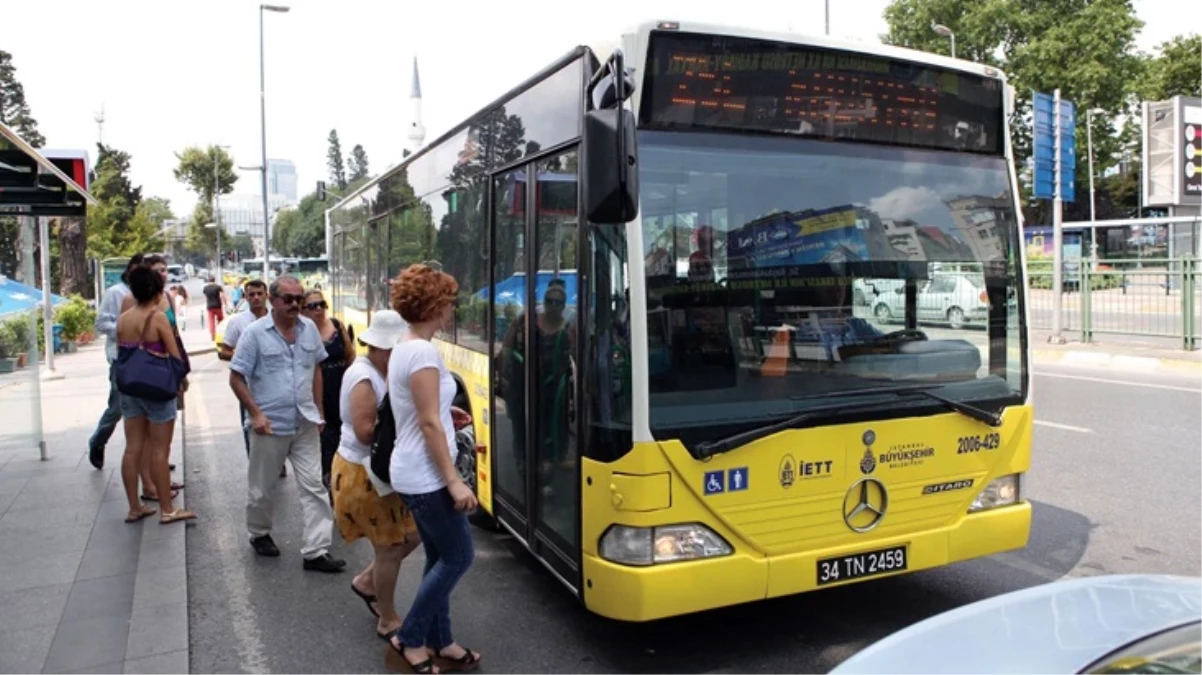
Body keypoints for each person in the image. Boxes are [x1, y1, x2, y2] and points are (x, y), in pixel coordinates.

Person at [385, 264, 481, 674]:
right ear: (434, 305)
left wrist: (446, 410)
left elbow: (423, 411)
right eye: (449, 301)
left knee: (440, 555)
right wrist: (454, 481)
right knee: (459, 556)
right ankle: (410, 637)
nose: (453, 309)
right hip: (426, 474)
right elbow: (427, 422)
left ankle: (442, 640)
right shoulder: (422, 352)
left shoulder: (406, 346)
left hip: (413, 469)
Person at [229, 275, 345, 572]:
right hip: (270, 425)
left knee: (315, 487)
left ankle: (316, 551)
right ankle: (259, 533)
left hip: (305, 422)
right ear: (273, 300)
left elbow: (316, 369)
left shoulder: (308, 330)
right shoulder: (255, 334)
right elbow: (236, 377)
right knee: (262, 489)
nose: (295, 304)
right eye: (288, 299)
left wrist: (318, 411)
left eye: (299, 299)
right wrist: (255, 414)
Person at [331, 310, 421, 639]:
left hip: (380, 471)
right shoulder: (363, 377)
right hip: (364, 473)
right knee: (390, 547)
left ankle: (368, 582)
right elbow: (366, 432)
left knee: (412, 535)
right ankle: (387, 617)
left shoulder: (383, 371)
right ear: (384, 349)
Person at [114, 265, 196, 524]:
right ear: (158, 292)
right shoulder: (157, 318)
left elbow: (121, 354)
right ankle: (167, 509)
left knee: (132, 448)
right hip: (157, 390)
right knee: (160, 450)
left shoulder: (123, 319)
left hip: (130, 389)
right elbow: (174, 355)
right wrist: (180, 379)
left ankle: (134, 507)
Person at [218, 279, 281, 475]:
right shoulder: (237, 322)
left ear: (267, 296)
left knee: (278, 422)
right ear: (245, 297)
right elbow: (224, 351)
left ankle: (278, 462)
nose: (255, 298)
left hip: (275, 382)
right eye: (251, 294)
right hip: (248, 385)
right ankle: (256, 464)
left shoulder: (278, 318)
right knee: (252, 425)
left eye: (259, 294)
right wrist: (244, 357)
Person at [88, 253, 143, 469]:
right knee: (117, 406)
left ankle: (152, 460)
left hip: (147, 359)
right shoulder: (116, 293)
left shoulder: (152, 294)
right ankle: (98, 440)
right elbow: (101, 323)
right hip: (121, 358)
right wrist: (125, 328)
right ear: (129, 270)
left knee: (148, 410)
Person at [300, 288, 355, 489]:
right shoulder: (302, 332)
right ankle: (328, 481)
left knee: (345, 431)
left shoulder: (337, 326)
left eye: (322, 304)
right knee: (326, 437)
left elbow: (350, 356)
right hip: (318, 388)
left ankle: (345, 479)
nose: (319, 309)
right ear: (303, 310)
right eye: (312, 306)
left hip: (341, 384)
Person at [202, 276, 228, 341]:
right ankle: (220, 333)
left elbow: (206, 297)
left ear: (208, 280)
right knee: (221, 320)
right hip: (218, 306)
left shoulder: (205, 288)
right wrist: (225, 303)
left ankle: (212, 335)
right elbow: (222, 296)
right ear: (214, 280)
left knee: (211, 321)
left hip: (210, 306)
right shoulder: (218, 287)